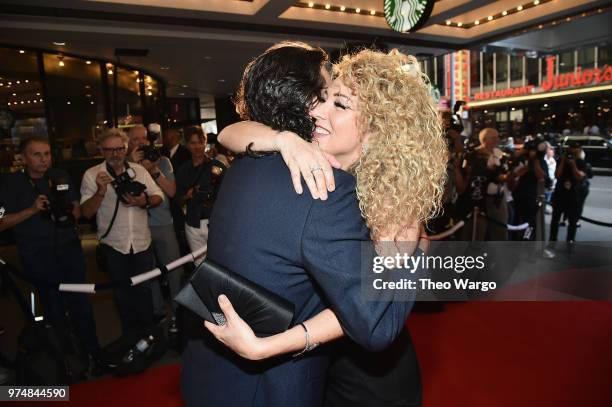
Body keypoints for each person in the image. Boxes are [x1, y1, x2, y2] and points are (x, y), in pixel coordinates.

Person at [182, 44, 445, 407]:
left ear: (375, 131)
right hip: (315, 364)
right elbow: (231, 132)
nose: (317, 111)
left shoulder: (381, 198)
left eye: (338, 103)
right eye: (324, 97)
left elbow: (374, 317)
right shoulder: (305, 169)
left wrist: (414, 252)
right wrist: (283, 138)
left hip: (367, 375)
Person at [0, 136, 100, 358]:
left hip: (69, 249)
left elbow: (76, 209)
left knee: (81, 303)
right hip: (37, 254)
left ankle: (92, 352)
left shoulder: (60, 176)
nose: (43, 160)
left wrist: (66, 215)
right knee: (53, 307)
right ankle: (65, 358)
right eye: (36, 154)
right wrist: (32, 210)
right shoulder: (10, 183)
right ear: (23, 158)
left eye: (46, 154)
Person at [81, 128, 164, 336]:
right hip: (113, 245)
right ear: (101, 150)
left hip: (141, 242)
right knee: (122, 295)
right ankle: (130, 339)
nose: (115, 154)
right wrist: (100, 192)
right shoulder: (92, 175)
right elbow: (86, 212)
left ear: (126, 148)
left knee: (144, 292)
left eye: (119, 149)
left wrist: (144, 201)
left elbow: (158, 196)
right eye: (109, 150)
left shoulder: (138, 170)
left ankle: (148, 338)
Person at [127, 125, 184, 331]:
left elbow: (171, 191)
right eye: (136, 140)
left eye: (144, 138)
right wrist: (133, 167)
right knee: (148, 273)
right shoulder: (126, 165)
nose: (141, 143)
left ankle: (179, 313)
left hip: (163, 223)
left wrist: (153, 170)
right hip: (138, 227)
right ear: (128, 143)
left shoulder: (163, 161)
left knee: (174, 270)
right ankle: (158, 314)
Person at [174, 126, 225, 263]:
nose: (197, 147)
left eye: (200, 142)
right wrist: (187, 196)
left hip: (215, 222)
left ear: (205, 142)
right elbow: (177, 199)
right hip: (192, 223)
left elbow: (227, 196)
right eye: (193, 143)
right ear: (186, 145)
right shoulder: (182, 170)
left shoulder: (217, 166)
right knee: (199, 265)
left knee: (221, 262)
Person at [549, 142, 588, 243]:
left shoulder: (581, 162)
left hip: (573, 195)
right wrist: (563, 161)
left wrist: (573, 163)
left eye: (576, 149)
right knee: (555, 220)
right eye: (572, 149)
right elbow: (557, 175)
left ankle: (570, 241)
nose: (573, 152)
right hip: (560, 194)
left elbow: (579, 176)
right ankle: (552, 241)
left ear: (579, 150)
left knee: (572, 221)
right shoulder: (561, 160)